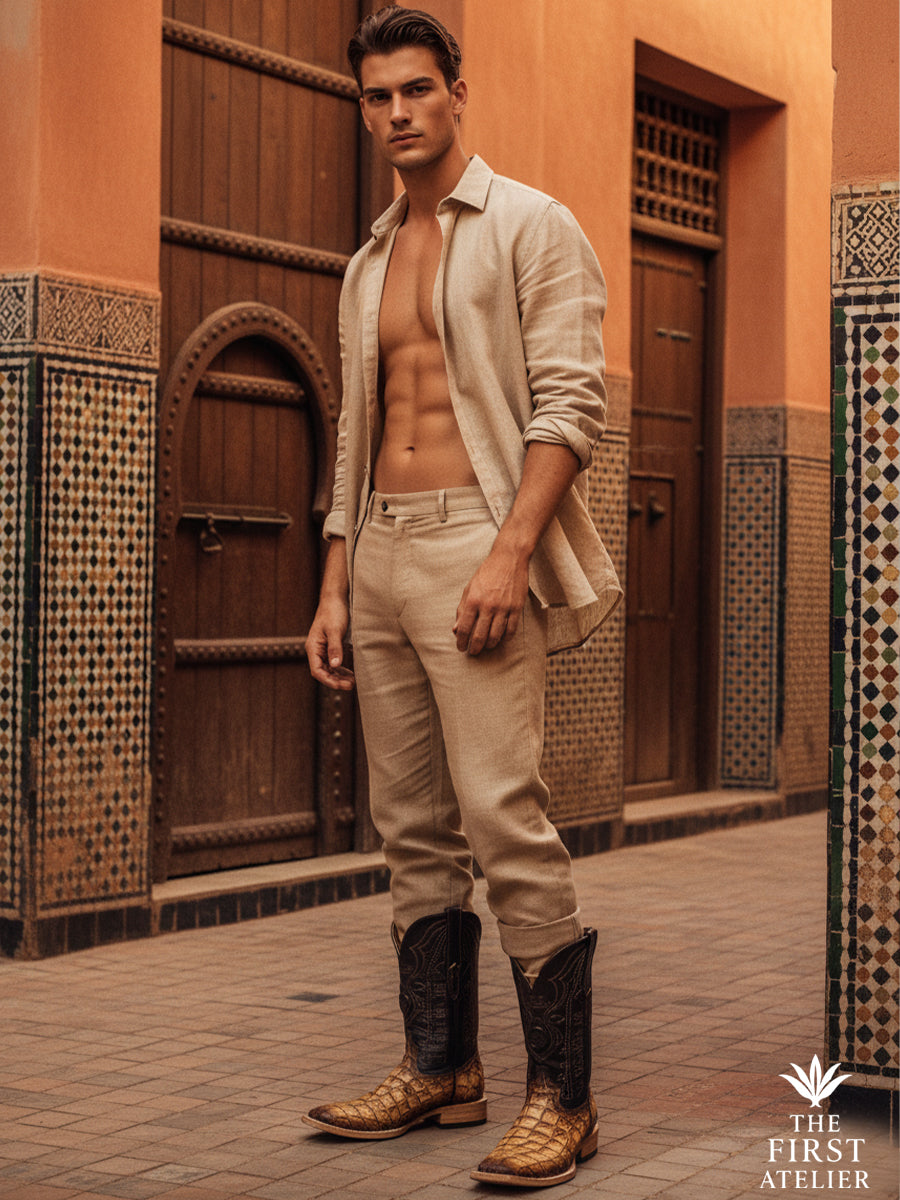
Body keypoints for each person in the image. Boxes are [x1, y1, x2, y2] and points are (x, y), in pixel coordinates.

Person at [301, 6, 621, 1188]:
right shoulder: (367, 258)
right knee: (411, 831)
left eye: (416, 90)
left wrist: (507, 554)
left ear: (456, 92)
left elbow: (569, 407)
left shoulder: (534, 226)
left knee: (504, 819)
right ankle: (440, 1068)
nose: (396, 113)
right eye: (378, 95)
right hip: (381, 551)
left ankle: (563, 1100)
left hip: (477, 546)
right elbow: (357, 431)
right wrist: (338, 580)